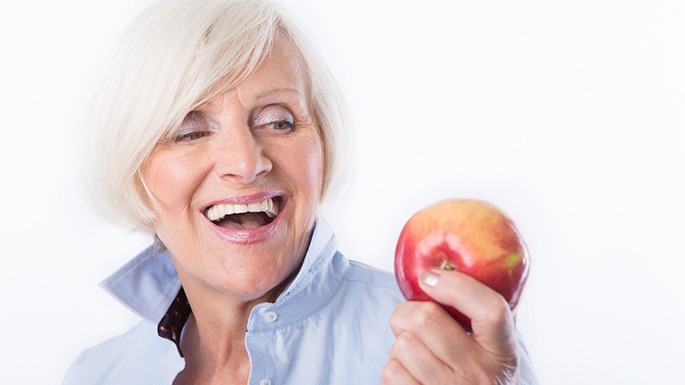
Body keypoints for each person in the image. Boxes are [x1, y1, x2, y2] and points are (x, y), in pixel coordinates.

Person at [63, 0, 539, 384]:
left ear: (322, 150)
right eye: (190, 131)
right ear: (136, 174)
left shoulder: (443, 349)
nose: (247, 163)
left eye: (278, 120)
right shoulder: (97, 374)